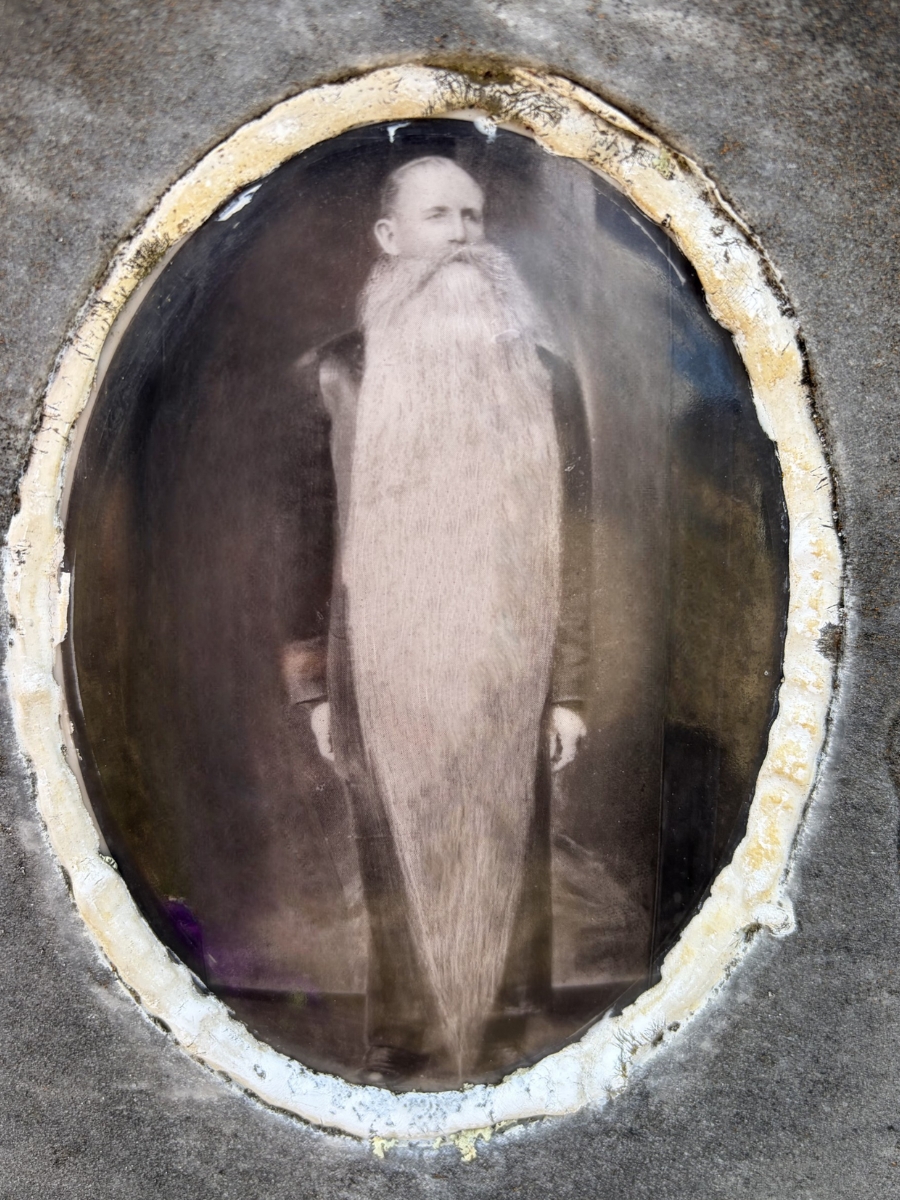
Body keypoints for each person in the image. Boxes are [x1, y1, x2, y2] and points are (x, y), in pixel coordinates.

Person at [283, 155, 592, 1085]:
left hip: (507, 661)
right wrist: (316, 687)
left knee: (508, 849)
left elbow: (577, 546)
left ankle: (506, 1043)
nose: (461, 237)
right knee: (393, 853)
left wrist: (568, 690)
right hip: (382, 666)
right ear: (389, 237)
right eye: (438, 217)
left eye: (472, 217)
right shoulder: (336, 373)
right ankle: (407, 1043)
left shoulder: (545, 374)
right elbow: (305, 541)